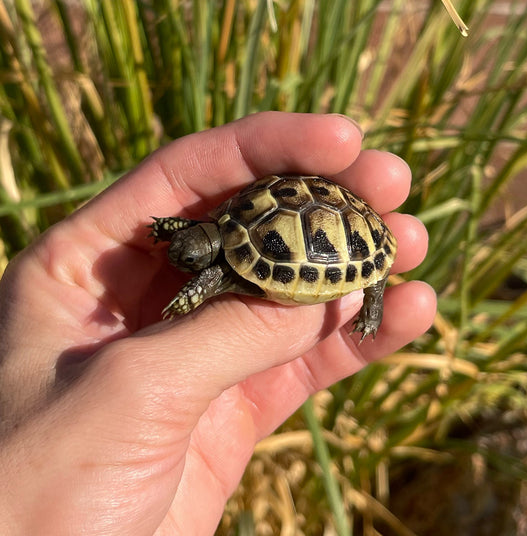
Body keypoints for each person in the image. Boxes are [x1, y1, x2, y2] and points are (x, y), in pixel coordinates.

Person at [0, 112, 436, 535]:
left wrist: (186, 291)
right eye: (184, 252)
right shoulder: (216, 226)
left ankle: (371, 299)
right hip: (268, 224)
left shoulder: (216, 264)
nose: (180, 262)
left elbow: (208, 277)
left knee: (370, 277)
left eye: (188, 259)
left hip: (331, 236)